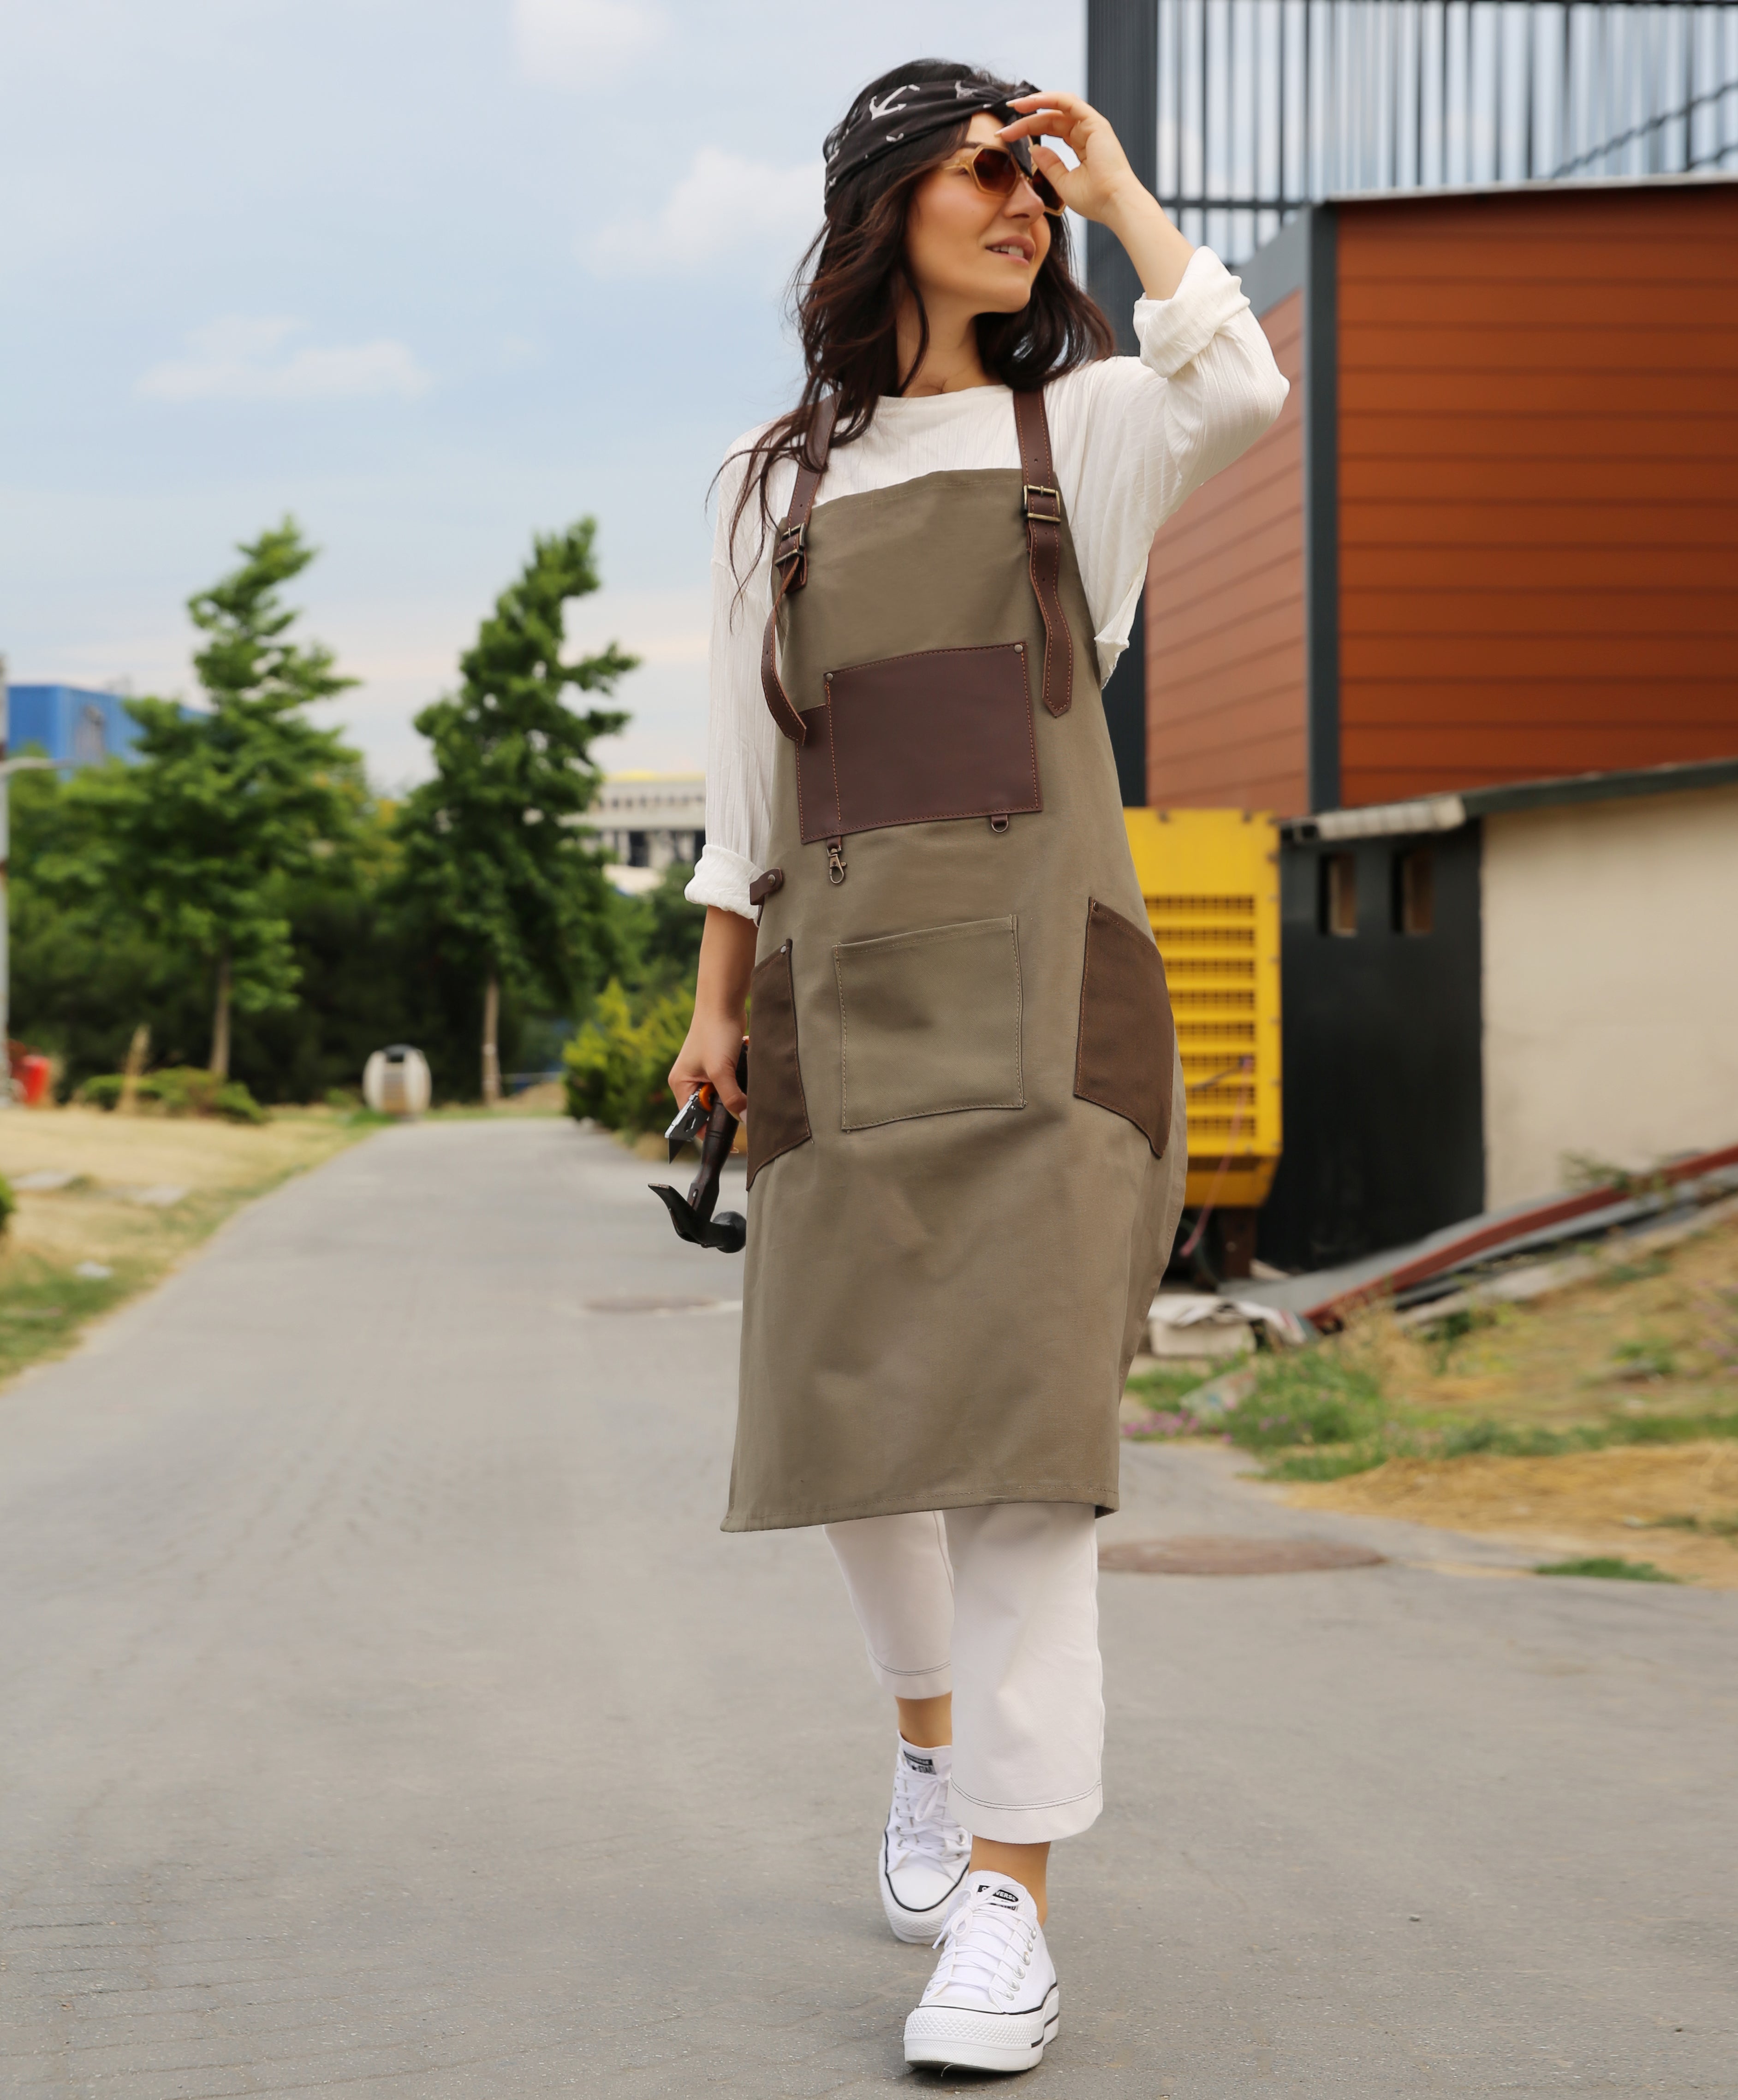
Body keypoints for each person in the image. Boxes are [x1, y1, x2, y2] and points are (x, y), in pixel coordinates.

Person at [673, 59, 1287, 2076]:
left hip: (1046, 1008)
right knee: (865, 1435)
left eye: (1027, 180)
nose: (1012, 208)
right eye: (978, 178)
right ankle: (928, 1747)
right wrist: (710, 1004)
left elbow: (1243, 391)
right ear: (880, 216)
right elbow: (746, 785)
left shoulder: (1082, 433)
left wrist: (1117, 188)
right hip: (838, 1005)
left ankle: (1009, 1900)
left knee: (1026, 1463)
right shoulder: (772, 485)